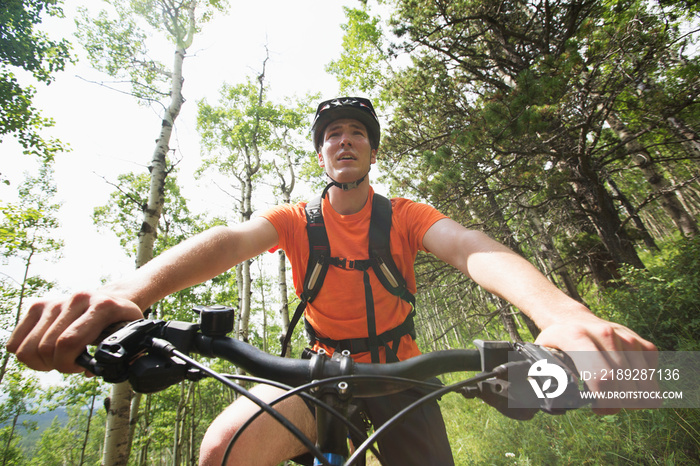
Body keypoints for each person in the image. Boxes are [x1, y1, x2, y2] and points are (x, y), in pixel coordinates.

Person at [7, 97, 658, 465]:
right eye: (332, 135)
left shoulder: (405, 216)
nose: (344, 142)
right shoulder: (297, 219)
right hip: (316, 371)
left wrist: (559, 313)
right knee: (220, 452)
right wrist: (132, 295)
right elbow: (228, 242)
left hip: (404, 372)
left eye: (357, 134)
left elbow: (469, 247)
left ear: (373, 151)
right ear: (321, 153)